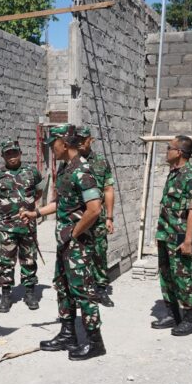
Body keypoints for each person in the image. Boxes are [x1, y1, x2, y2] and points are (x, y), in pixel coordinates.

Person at [21, 124, 105, 361]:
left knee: (84, 290)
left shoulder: (82, 171)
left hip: (77, 243)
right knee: (64, 287)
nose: (51, 149)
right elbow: (61, 203)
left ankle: (95, 342)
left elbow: (94, 209)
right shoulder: (67, 169)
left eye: (52, 144)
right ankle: (68, 334)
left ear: (64, 143)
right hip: (66, 243)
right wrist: (36, 213)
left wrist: (75, 233)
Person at [0, 138, 46, 312]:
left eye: (14, 152)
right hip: (7, 226)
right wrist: (7, 209)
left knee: (28, 259)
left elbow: (40, 190)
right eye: (8, 153)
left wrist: (29, 205)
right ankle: (6, 295)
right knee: (6, 261)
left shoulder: (32, 172)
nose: (12, 156)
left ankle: (29, 292)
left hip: (27, 224)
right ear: (3, 156)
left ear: (20, 153)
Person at [152, 136, 192, 336]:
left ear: (179, 152)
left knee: (182, 277)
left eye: (169, 148)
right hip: (165, 233)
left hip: (180, 236)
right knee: (166, 276)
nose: (166, 151)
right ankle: (173, 315)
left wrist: (189, 240)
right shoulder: (173, 174)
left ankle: (190, 320)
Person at [76, 127, 116, 307]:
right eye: (76, 139)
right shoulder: (70, 162)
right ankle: (81, 291)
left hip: (98, 218)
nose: (79, 143)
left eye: (83, 139)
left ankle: (100, 289)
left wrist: (109, 217)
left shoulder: (101, 162)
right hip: (77, 218)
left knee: (99, 253)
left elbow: (108, 189)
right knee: (78, 254)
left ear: (90, 140)